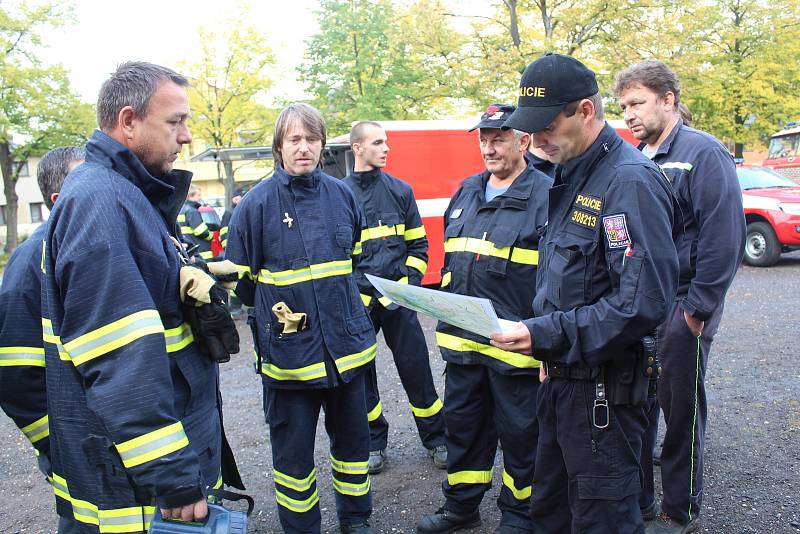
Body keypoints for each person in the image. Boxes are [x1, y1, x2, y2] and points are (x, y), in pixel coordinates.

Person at [490, 53, 680, 533]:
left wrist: (542, 334)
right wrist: (546, 352)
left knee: (604, 520)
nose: (536, 140)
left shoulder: (627, 181)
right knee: (550, 513)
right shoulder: (570, 175)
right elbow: (564, 283)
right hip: (560, 383)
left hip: (604, 399)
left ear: (586, 112)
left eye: (547, 126)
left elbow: (640, 304)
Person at [42, 61, 235, 533]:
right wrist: (172, 476)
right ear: (128, 122)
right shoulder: (101, 203)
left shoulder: (125, 193)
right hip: (139, 491)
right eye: (175, 122)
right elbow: (120, 357)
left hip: (149, 464)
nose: (186, 136)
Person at [225, 103, 377, 534]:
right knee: (292, 460)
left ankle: (357, 522)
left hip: (346, 355)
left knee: (353, 449)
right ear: (279, 147)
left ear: (322, 145)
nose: (304, 148)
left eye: (312, 139)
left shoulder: (343, 194)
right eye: (295, 139)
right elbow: (243, 282)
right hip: (289, 361)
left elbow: (354, 262)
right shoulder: (254, 206)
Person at [614, 59, 745, 534]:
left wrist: (696, 312)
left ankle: (678, 509)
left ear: (668, 100)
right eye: (623, 105)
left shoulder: (702, 153)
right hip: (644, 305)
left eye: (637, 103)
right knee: (638, 404)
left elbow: (723, 239)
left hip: (683, 306)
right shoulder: (640, 159)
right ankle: (641, 503)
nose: (628, 114)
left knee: (680, 410)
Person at [417, 104, 552, 534]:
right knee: (464, 432)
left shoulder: (546, 195)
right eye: (483, 138)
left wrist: (549, 343)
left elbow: (555, 280)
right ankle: (462, 507)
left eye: (499, 137)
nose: (488, 146)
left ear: (523, 141)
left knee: (521, 438)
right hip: (461, 348)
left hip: (514, 351)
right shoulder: (467, 190)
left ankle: (519, 515)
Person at [343, 121, 447, 474]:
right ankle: (374, 443)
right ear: (357, 148)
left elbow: (418, 245)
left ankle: (437, 439)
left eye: (386, 142)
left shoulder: (400, 191)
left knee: (417, 370)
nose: (386, 148)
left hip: (398, 301)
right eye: (377, 143)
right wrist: (361, 292)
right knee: (362, 376)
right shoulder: (339, 195)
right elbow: (338, 258)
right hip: (360, 305)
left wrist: (406, 284)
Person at [0, 146, 84, 482]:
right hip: (78, 454)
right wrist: (60, 442)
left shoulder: (88, 246)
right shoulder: (31, 260)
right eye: (84, 180)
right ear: (56, 198)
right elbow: (15, 375)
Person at [179, 184, 215, 260]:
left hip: (190, 251)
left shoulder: (180, 209)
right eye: (198, 195)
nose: (200, 198)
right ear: (190, 196)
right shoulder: (192, 211)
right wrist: (212, 236)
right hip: (202, 252)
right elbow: (201, 232)